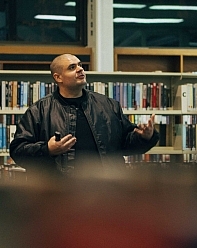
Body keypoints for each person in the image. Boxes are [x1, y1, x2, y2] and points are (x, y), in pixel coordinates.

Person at [9, 54, 159, 177]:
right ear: (58, 77)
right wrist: (47, 149)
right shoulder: (39, 110)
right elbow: (18, 151)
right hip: (60, 192)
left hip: (106, 190)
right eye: (72, 67)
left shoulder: (108, 105)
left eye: (80, 65)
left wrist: (144, 137)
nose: (80, 69)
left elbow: (125, 144)